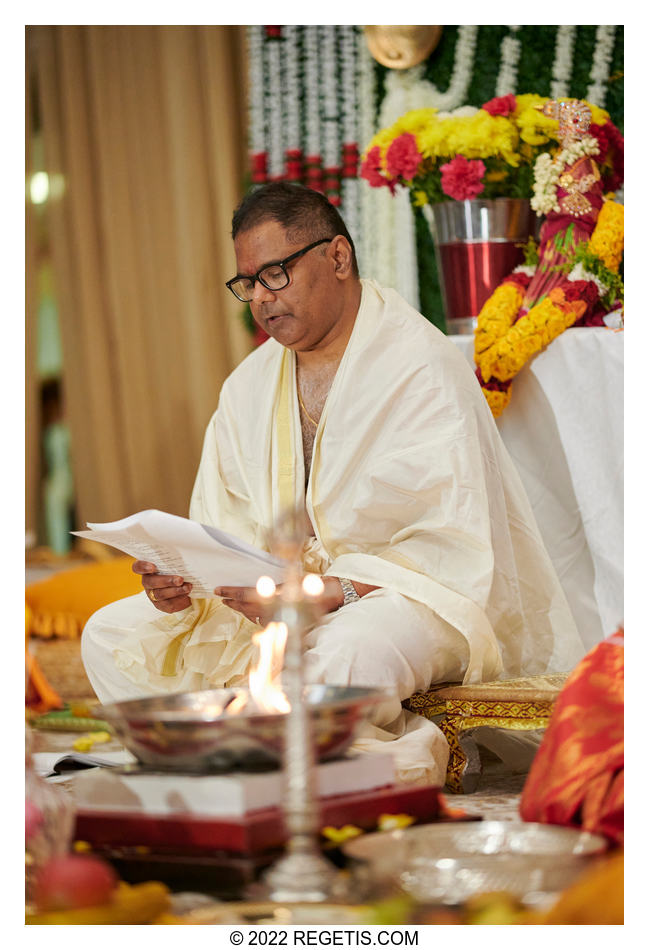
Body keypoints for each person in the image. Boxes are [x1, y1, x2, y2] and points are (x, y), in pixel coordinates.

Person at [82, 182, 584, 785]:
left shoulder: (419, 365)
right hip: (273, 605)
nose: (261, 301)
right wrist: (185, 580)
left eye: (275, 274)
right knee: (109, 634)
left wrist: (325, 593)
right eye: (248, 284)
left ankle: (362, 767)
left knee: (348, 656)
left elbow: (453, 549)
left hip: (396, 600)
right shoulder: (247, 386)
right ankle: (247, 758)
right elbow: (223, 527)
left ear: (338, 257)